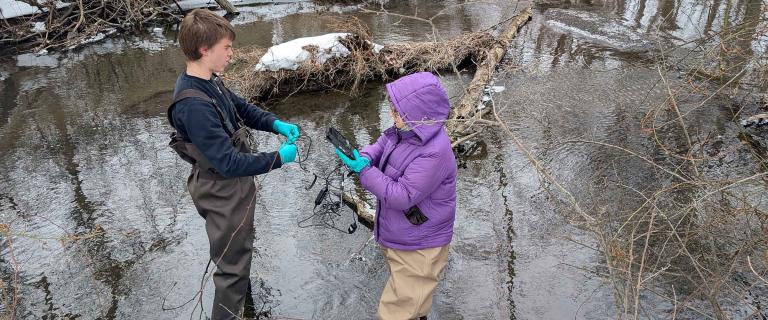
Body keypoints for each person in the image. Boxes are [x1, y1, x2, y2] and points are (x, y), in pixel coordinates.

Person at [166, 9, 300, 319]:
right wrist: (279, 158)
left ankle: (246, 308)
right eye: (226, 47)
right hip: (221, 190)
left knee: (239, 255)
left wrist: (275, 123)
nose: (231, 53)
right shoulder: (192, 105)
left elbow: (241, 108)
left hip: (233, 185)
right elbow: (227, 162)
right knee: (231, 271)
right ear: (205, 50)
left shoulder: (209, 80)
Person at [335, 72, 458, 320]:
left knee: (398, 312)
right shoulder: (404, 131)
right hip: (402, 234)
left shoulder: (434, 153)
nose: (393, 116)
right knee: (412, 301)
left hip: (420, 245)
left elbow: (402, 196)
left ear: (421, 115)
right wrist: (366, 157)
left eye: (398, 112)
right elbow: (382, 144)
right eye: (392, 109)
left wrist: (365, 172)